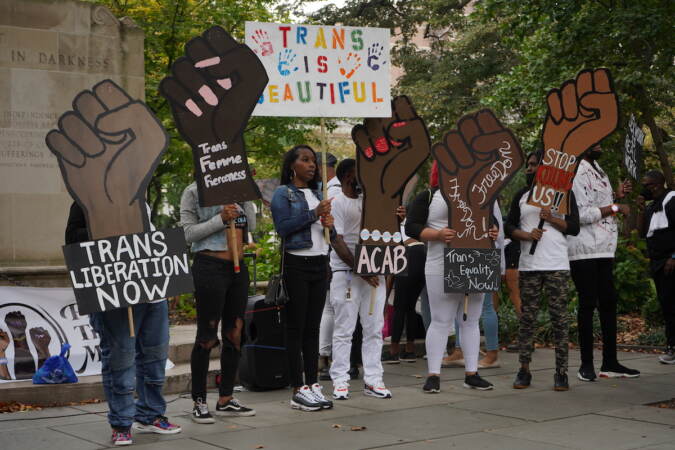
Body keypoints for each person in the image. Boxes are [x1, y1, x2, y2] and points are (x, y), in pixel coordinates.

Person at [66, 202, 181, 446]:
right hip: (115, 295)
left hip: (153, 290)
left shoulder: (140, 197)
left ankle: (150, 414)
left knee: (155, 357)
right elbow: (73, 237)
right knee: (120, 359)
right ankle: (121, 424)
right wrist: (110, 231)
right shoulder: (85, 200)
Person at [406, 162, 497, 393]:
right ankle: (433, 374)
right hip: (441, 263)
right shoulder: (428, 196)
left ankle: (471, 373)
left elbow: (491, 222)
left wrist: (493, 231)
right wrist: (436, 234)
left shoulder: (480, 194)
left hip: (476, 259)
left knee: (471, 320)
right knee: (440, 320)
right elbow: (412, 227)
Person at [180, 181, 257, 423]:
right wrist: (220, 218)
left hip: (237, 266)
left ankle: (226, 398)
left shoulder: (239, 189)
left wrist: (246, 198)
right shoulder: (192, 191)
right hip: (209, 266)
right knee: (207, 335)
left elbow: (251, 227)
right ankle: (199, 401)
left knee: (235, 334)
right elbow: (187, 234)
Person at [505, 150, 580, 391]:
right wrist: (526, 235)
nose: (528, 168)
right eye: (527, 164)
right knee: (528, 319)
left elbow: (575, 227)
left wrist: (552, 218)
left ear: (546, 168)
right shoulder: (522, 195)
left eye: (533, 164)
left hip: (556, 265)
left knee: (560, 320)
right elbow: (509, 226)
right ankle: (524, 369)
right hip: (530, 265)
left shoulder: (563, 194)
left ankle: (561, 372)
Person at [270, 145, 335, 411]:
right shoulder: (283, 193)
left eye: (313, 162)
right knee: (295, 328)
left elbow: (324, 229)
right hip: (297, 264)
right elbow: (283, 227)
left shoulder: (320, 193)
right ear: (292, 166)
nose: (312, 165)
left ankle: (313, 383)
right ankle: (298, 388)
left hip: (320, 263)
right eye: (305, 160)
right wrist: (313, 214)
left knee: (313, 327)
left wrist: (328, 224)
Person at [567, 144, 640, 381]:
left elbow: (599, 203)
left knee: (609, 303)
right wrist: (617, 207)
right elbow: (583, 214)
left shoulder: (599, 169)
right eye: (596, 141)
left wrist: (615, 195)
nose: (601, 145)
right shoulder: (576, 170)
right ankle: (585, 364)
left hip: (605, 249)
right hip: (584, 249)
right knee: (588, 304)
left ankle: (610, 362)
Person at [329, 158, 396, 400]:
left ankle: (373, 380)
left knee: (374, 328)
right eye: (362, 173)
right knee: (344, 328)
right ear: (348, 176)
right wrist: (362, 268)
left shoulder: (370, 201)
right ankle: (340, 379)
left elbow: (388, 231)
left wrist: (398, 215)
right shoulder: (337, 202)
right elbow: (336, 241)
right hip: (346, 274)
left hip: (374, 274)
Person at [449, 202, 506, 369]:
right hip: (463, 251)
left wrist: (499, 263)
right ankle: (460, 351)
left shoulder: (486, 195)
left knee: (486, 305)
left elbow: (496, 229)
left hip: (484, 252)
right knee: (461, 304)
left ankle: (492, 353)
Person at [636, 170, 675, 364]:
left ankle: (672, 347)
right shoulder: (652, 206)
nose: (647, 189)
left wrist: (673, 257)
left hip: (671, 260)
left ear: (660, 183)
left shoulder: (672, 199)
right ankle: (672, 345)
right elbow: (642, 233)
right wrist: (642, 209)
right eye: (645, 185)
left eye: (649, 185)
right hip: (657, 262)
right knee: (666, 304)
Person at [381, 220, 426, 364]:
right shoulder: (408, 222)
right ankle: (409, 351)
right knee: (410, 307)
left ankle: (394, 352)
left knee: (399, 307)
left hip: (408, 253)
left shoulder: (390, 228)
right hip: (423, 253)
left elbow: (391, 274)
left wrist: (385, 297)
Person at [317, 152, 340, 380]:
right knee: (331, 307)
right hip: (332, 251)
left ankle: (325, 356)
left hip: (332, 251)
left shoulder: (331, 191)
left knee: (329, 308)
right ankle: (326, 355)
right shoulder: (332, 190)